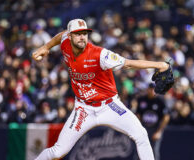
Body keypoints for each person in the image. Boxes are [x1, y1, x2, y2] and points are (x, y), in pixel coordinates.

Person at [32, 19, 169, 160]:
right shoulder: (66, 42)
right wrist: (46, 47)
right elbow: (61, 36)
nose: (82, 37)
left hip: (109, 106)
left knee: (141, 135)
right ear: (70, 35)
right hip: (83, 109)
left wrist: (160, 65)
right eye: (78, 34)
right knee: (57, 152)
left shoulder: (100, 54)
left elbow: (128, 64)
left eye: (84, 33)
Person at [136, 83, 170, 160]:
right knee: (140, 151)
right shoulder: (141, 100)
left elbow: (166, 117)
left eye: (154, 89)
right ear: (147, 89)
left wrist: (159, 131)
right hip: (144, 129)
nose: (152, 91)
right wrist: (138, 129)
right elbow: (138, 115)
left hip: (155, 128)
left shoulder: (160, 101)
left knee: (154, 151)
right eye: (150, 89)